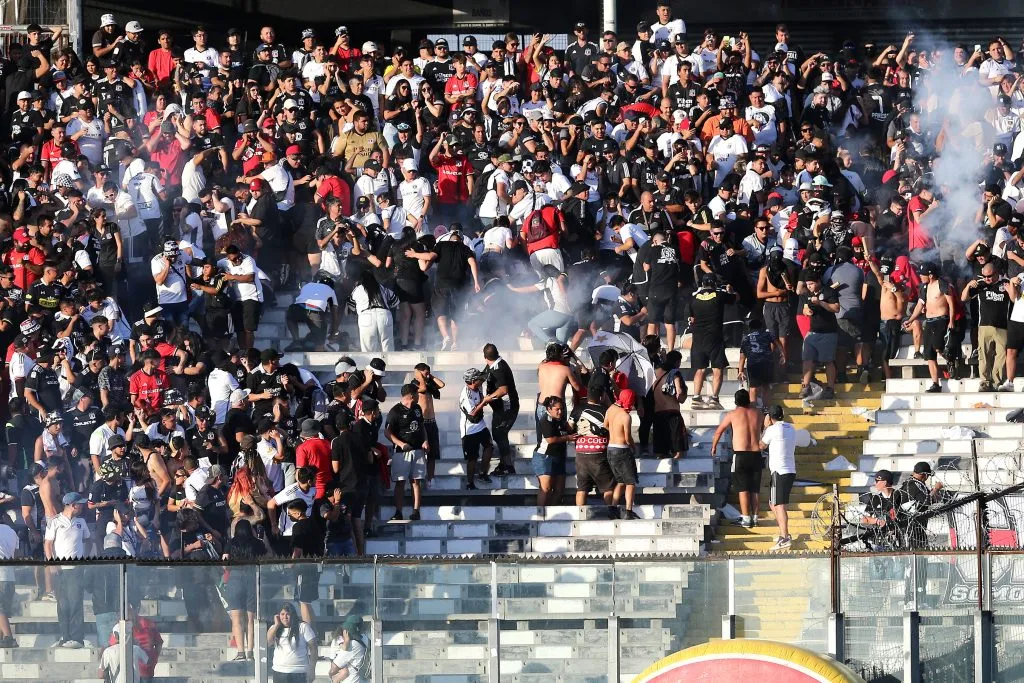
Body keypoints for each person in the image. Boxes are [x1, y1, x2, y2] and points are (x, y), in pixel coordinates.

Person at [760, 405, 811, 551]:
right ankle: (783, 532)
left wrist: (764, 427)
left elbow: (761, 446)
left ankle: (784, 536)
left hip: (779, 471)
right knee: (773, 503)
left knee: (779, 505)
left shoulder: (771, 429)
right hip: (789, 470)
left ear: (770, 417)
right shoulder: (790, 428)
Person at [43, 492, 91, 648]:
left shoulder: (81, 522)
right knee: (63, 604)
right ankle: (64, 636)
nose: (82, 507)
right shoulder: (55, 521)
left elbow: (88, 540)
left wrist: (85, 557)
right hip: (60, 569)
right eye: (80, 504)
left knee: (76, 602)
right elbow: (48, 545)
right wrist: (52, 564)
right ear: (73, 505)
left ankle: (77, 638)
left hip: (77, 568)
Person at [711, 389, 764, 529]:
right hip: (756, 454)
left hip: (741, 455)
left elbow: (719, 430)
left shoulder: (733, 414)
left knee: (743, 488)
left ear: (736, 402)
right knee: (755, 489)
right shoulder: (758, 414)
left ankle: (746, 518)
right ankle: (756, 517)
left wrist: (714, 447)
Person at [384, 384, 428, 521]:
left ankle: (416, 511)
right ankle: (398, 511)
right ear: (410, 395)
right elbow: (387, 432)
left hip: (418, 450)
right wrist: (402, 444)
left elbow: (421, 426)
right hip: (402, 453)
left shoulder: (417, 408)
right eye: (416, 393)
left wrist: (425, 440)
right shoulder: (395, 411)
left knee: (416, 481)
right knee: (401, 482)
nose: (418, 396)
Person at [223, 518, 263, 662]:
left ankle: (241, 652)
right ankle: (251, 652)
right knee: (250, 619)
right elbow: (267, 556)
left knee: (236, 619)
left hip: (235, 579)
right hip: (252, 578)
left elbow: (225, 564)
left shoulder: (231, 543)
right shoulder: (257, 543)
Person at [482, 343, 519, 477]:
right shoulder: (492, 365)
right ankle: (504, 464)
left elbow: (503, 390)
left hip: (507, 408)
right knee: (499, 434)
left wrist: (488, 398)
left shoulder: (499, 368)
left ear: (485, 356)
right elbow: (484, 375)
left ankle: (508, 465)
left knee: (499, 434)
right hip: (500, 408)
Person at [533, 396, 576, 508]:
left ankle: (554, 513)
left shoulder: (560, 419)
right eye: (557, 409)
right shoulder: (545, 420)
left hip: (559, 456)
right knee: (545, 488)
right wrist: (568, 438)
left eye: (561, 409)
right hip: (544, 456)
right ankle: (540, 515)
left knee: (559, 488)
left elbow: (569, 429)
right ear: (549, 409)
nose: (560, 411)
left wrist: (573, 419)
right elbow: (550, 439)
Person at [604, 389, 640, 519]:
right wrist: (634, 447)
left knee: (620, 481)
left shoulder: (611, 409)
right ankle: (629, 511)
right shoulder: (626, 416)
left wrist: (614, 431)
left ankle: (613, 508)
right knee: (630, 482)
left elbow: (605, 425)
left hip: (610, 448)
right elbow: (627, 438)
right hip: (622, 450)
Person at [459, 368, 493, 489]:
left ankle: (483, 473)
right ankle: (470, 483)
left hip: (480, 424)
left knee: (489, 446)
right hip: (469, 429)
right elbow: (472, 413)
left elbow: (483, 397)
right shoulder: (466, 395)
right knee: (472, 458)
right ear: (473, 381)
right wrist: (484, 401)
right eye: (478, 378)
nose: (481, 380)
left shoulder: (477, 387)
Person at [267, 602, 317, 683]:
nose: (285, 617)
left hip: (299, 672)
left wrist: (312, 670)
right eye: (282, 614)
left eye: (288, 614)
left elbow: (314, 648)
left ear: (293, 615)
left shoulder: (303, 627)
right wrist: (276, 625)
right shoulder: (274, 628)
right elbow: (267, 643)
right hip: (280, 672)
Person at [329, 614, 369, 683]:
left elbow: (334, 669)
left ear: (346, 631)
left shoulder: (352, 645)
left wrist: (331, 676)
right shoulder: (366, 639)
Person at [0, 515, 18, 648]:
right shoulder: (11, 531)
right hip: (10, 576)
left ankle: (8, 637)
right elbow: (15, 555)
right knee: (4, 610)